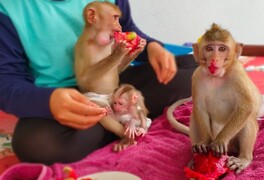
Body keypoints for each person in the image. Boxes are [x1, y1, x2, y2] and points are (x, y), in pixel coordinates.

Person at [0, 0, 197, 165]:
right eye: (113, 19)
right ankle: (122, 123)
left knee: (195, 68)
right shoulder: (9, 9)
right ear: (93, 17)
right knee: (34, 144)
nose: (116, 25)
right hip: (66, 97)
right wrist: (48, 102)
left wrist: (152, 47)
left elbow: (127, 30)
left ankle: (107, 126)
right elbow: (6, 82)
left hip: (112, 83)